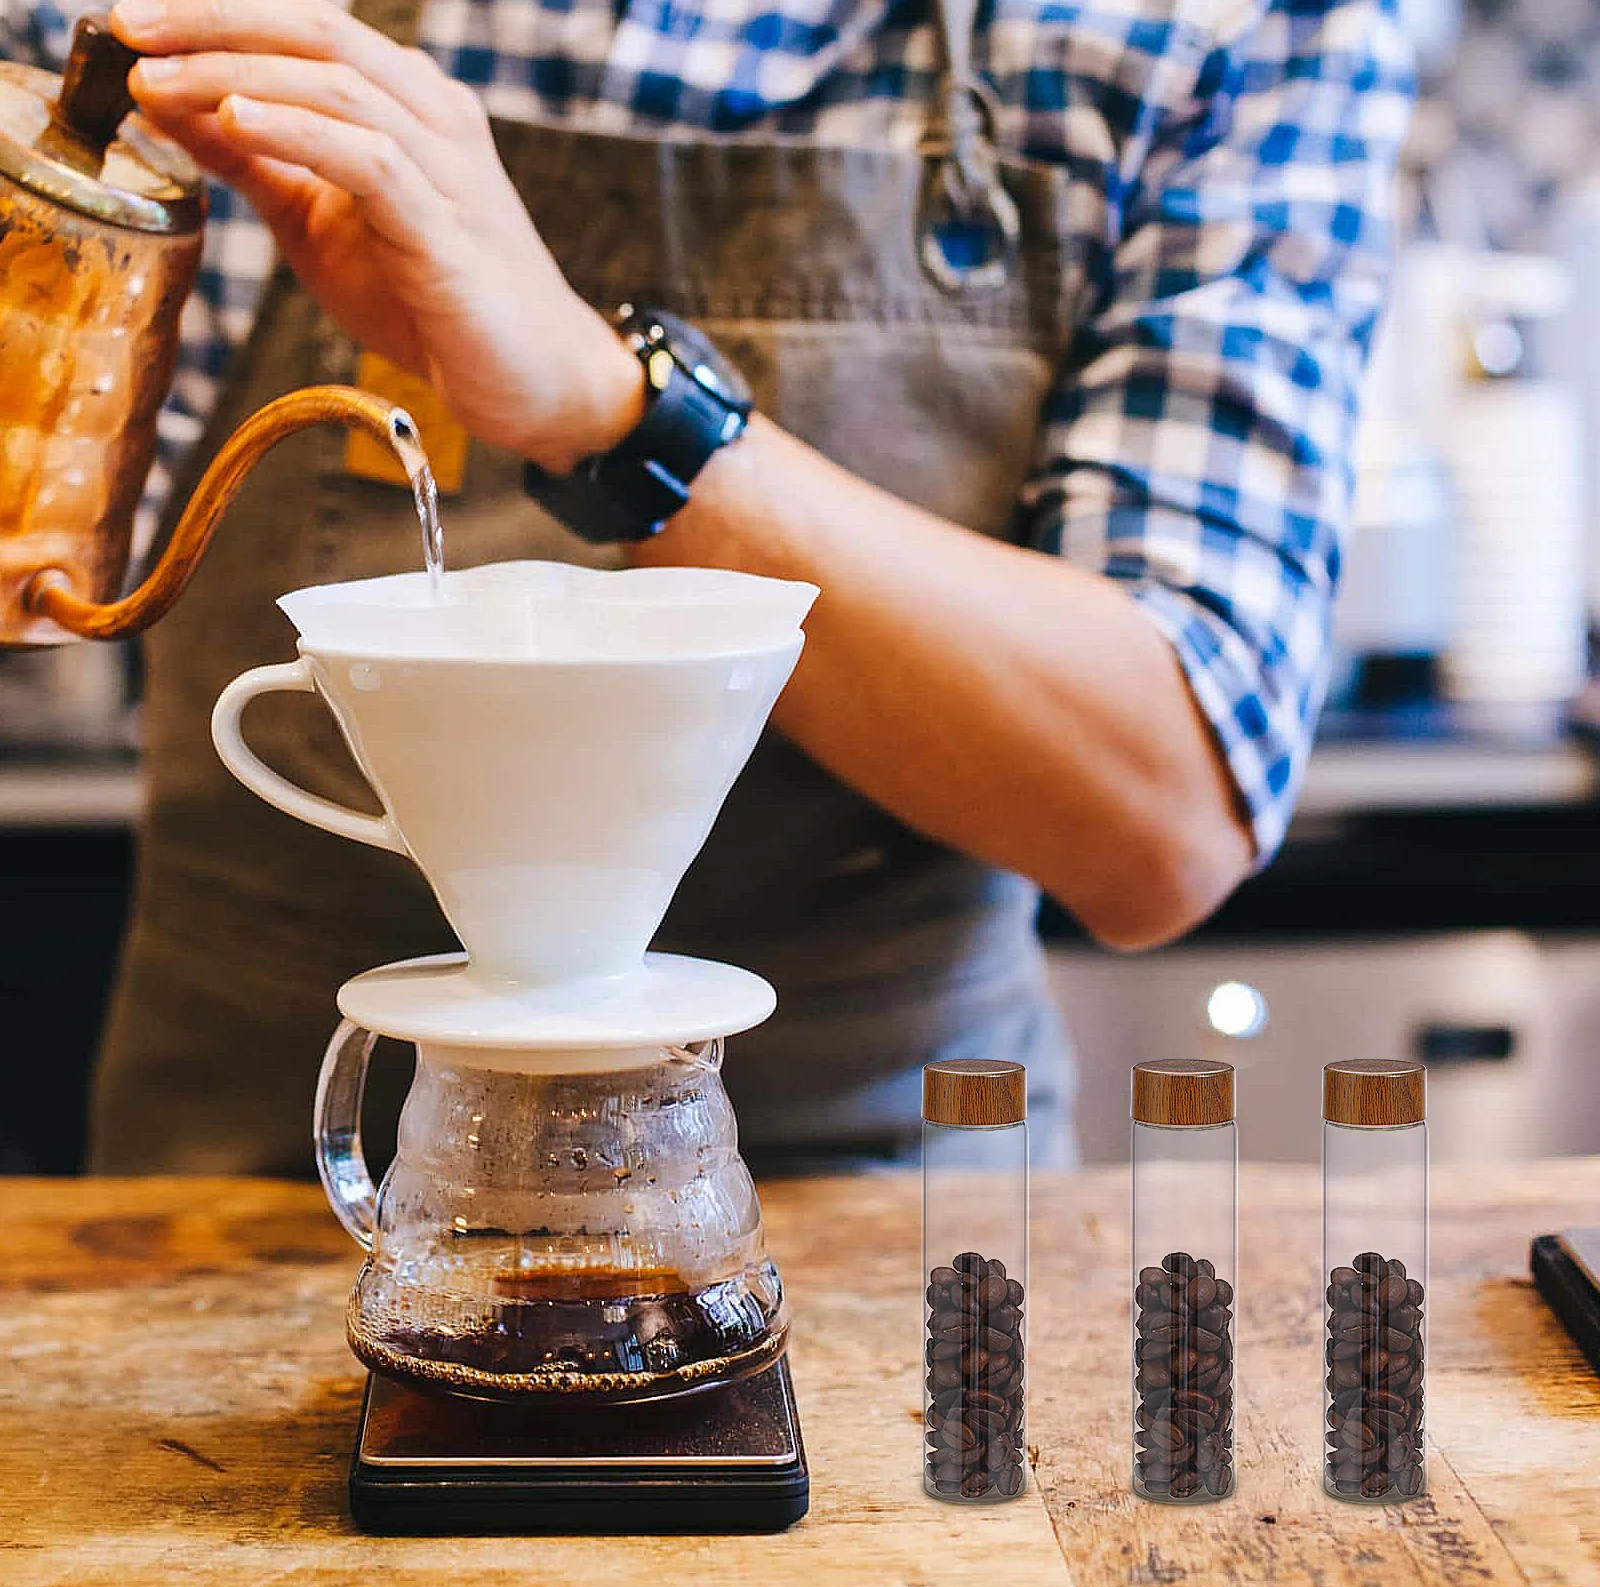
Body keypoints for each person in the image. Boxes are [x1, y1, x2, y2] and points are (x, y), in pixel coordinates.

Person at [4, 0, 1409, 1173]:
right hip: (260, 1188)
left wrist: (613, 412)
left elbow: (1161, 815)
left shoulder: (1224, 28)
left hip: (881, 1208)